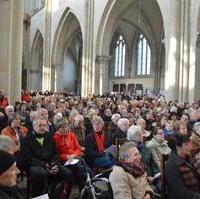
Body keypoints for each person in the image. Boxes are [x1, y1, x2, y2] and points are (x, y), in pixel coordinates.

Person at [20, 118, 74, 197]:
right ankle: (38, 197)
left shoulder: (50, 137)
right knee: (41, 174)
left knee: (68, 174)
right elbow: (29, 158)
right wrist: (46, 165)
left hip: (50, 163)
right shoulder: (26, 139)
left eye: (44, 125)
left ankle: (60, 195)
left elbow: (55, 153)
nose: (42, 127)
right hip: (34, 165)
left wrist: (54, 164)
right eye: (40, 125)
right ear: (34, 126)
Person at [165, 135, 200, 199]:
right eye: (186, 145)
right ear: (178, 147)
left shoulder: (187, 158)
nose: (189, 147)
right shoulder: (171, 166)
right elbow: (181, 192)